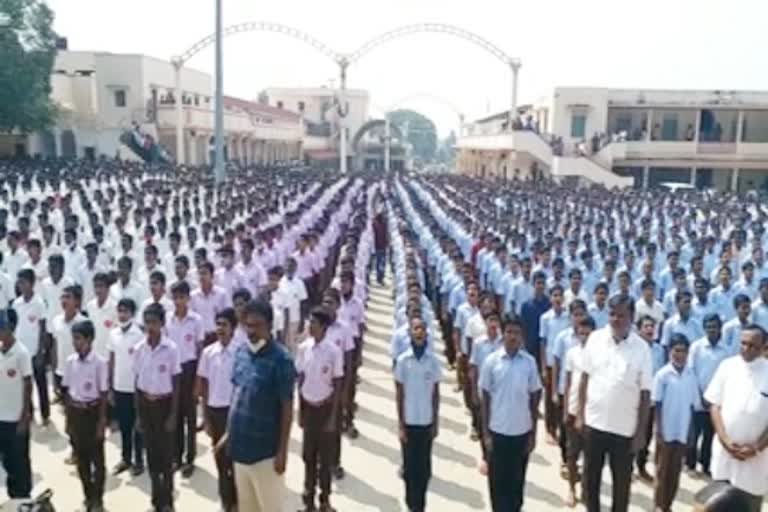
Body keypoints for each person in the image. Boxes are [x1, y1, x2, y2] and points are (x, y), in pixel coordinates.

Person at [577, 294, 653, 512]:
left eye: (621, 315)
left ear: (632, 317)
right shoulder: (595, 339)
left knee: (621, 485)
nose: (615, 320)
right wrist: (581, 415)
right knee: (590, 481)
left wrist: (640, 433)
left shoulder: (642, 349)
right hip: (595, 424)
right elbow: (584, 379)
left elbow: (646, 394)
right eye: (612, 314)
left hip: (624, 430)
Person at [224, 299, 296, 512]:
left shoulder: (282, 360)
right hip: (240, 450)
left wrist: (282, 451)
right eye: (248, 325)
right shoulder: (240, 353)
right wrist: (228, 433)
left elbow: (287, 408)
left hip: (266, 455)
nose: (251, 331)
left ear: (270, 325)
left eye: (257, 325)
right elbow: (236, 396)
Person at [480, 316, 542, 512]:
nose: (512, 336)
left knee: (516, 486)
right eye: (509, 332)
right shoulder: (491, 362)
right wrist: (486, 434)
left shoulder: (529, 363)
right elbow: (485, 399)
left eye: (516, 332)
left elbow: (534, 399)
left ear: (522, 336)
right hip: (497, 433)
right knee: (497, 486)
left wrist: (533, 434)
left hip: (521, 434)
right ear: (502, 333)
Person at [704, 324, 768, 511]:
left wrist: (756, 448)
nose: (746, 349)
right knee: (717, 504)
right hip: (725, 454)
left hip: (756, 459)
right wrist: (725, 440)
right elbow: (714, 405)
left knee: (747, 506)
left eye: (752, 346)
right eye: (743, 344)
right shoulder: (728, 366)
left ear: (765, 347)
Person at [296, 307, 344, 512]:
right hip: (309, 409)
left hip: (325, 409)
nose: (310, 326)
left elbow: (338, 384)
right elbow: (300, 379)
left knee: (324, 460)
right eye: (309, 322)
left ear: (324, 327)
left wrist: (334, 416)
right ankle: (308, 501)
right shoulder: (303, 348)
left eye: (314, 323)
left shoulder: (333, 351)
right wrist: (300, 409)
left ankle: (325, 500)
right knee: (308, 456)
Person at [134, 303, 181, 512]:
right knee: (151, 455)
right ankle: (155, 499)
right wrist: (139, 415)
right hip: (146, 404)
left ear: (162, 324)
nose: (150, 327)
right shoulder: (139, 349)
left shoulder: (170, 349)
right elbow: (137, 383)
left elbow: (177, 383)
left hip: (164, 405)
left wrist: (173, 414)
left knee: (166, 456)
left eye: (154, 322)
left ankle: (168, 501)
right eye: (147, 322)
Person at [395, 315, 441, 512]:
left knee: (424, 470)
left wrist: (436, 422)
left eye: (422, 329)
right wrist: (401, 424)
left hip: (426, 422)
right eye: (416, 329)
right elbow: (400, 394)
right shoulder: (404, 361)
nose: (419, 332)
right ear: (410, 333)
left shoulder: (433, 361)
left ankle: (420, 505)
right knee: (409, 469)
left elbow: (435, 394)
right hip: (409, 422)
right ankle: (412, 505)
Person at [63, 320, 109, 512]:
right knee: (81, 459)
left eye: (79, 338)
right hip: (76, 412)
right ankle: (87, 495)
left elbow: (104, 394)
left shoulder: (99, 363)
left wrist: (101, 421)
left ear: (90, 339)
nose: (76, 342)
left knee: (97, 461)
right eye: (74, 338)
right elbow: (67, 391)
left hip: (92, 411)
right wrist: (68, 419)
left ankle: (98, 498)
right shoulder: (70, 361)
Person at [652, 333, 701, 512]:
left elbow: (692, 405)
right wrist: (658, 430)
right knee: (662, 471)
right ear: (670, 351)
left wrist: (690, 431)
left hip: (681, 431)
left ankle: (668, 505)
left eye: (683, 351)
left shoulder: (690, 375)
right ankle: (658, 504)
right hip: (666, 431)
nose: (680, 354)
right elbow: (657, 403)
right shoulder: (662, 375)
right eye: (677, 350)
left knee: (675, 472)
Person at [197, 308, 239, 512]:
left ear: (233, 328)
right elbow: (204, 385)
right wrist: (205, 416)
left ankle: (238, 500)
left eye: (225, 325)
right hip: (215, 412)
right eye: (218, 324)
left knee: (236, 460)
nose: (220, 329)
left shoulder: (240, 352)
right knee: (220, 458)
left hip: (234, 412)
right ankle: (226, 500)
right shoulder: (208, 352)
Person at [165, 281, 204, 477]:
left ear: (188, 298)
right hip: (174, 371)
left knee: (190, 416)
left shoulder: (196, 320)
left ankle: (190, 458)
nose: (179, 301)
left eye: (182, 297)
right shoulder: (168, 319)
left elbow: (199, 351)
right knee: (176, 415)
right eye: (176, 297)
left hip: (189, 369)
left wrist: (198, 380)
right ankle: (176, 456)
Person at [687, 314, 730, 476]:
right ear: (704, 328)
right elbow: (691, 372)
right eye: (709, 326)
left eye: (715, 326)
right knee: (694, 433)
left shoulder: (725, 351)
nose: (712, 330)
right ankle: (690, 464)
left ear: (720, 328)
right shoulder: (696, 347)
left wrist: (714, 397)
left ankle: (705, 465)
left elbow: (726, 377)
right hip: (697, 398)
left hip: (715, 401)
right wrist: (700, 395)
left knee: (710, 436)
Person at [108, 298, 145, 476]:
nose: (122, 315)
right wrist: (110, 386)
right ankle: (126, 458)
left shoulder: (139, 334)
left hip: (135, 388)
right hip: (119, 386)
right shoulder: (113, 333)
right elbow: (112, 359)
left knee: (137, 427)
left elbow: (141, 363)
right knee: (124, 425)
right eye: (120, 311)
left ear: (132, 313)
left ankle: (139, 460)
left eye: (126, 311)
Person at [0, 309, 33, 504]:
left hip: (16, 419)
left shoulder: (21, 353)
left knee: (20, 461)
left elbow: (28, 384)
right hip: (1, 418)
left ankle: (24, 498)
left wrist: (24, 417)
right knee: (7, 461)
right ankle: (14, 498)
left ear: (10, 329)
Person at [563, 315, 595, 508]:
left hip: (592, 413)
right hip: (574, 408)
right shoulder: (572, 353)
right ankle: (571, 489)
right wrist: (567, 408)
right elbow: (567, 383)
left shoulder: (600, 354)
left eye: (588, 333)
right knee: (572, 453)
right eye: (581, 333)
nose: (584, 336)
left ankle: (586, 490)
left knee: (590, 456)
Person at [12, 269, 48, 425]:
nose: (21, 285)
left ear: (32, 283)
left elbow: (42, 328)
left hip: (35, 351)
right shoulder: (16, 303)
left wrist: (41, 351)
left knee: (41, 383)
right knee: (25, 384)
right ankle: (30, 412)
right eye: (19, 282)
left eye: (24, 282)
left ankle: (45, 413)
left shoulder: (39, 303)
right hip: (22, 351)